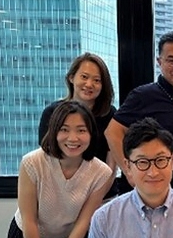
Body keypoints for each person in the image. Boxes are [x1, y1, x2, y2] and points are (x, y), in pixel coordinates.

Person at [7, 101, 115, 238]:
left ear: (91, 134)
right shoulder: (32, 163)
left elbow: (83, 222)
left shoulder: (101, 172)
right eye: (64, 130)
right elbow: (29, 219)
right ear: (54, 131)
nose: (73, 138)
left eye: (81, 130)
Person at [105, 31, 173, 199]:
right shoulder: (143, 95)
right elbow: (112, 132)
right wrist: (129, 172)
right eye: (171, 60)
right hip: (154, 190)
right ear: (159, 62)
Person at [38, 53, 118, 196]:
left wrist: (96, 199)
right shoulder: (52, 113)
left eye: (97, 80)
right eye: (84, 77)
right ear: (71, 78)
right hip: (60, 194)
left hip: (101, 194)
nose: (89, 84)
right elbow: (47, 159)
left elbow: (111, 164)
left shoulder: (110, 114)